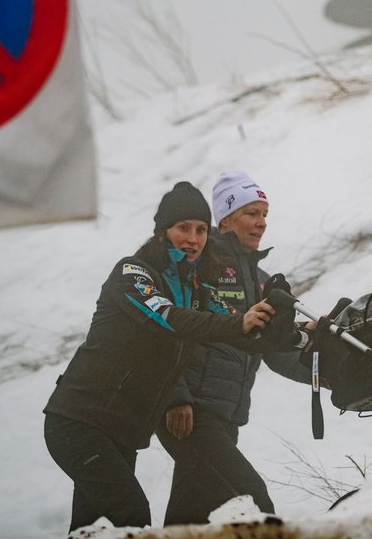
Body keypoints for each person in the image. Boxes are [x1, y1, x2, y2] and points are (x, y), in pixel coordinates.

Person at [43, 181, 279, 532]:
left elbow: (232, 329)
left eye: (201, 229)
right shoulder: (133, 273)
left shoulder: (196, 290)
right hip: (79, 423)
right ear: (162, 232)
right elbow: (167, 317)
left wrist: (292, 330)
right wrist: (237, 323)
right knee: (131, 516)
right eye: (183, 227)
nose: (193, 238)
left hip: (122, 432)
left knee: (95, 528)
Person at [154, 171, 313, 526]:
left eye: (265, 215)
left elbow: (273, 351)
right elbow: (166, 328)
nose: (261, 224)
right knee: (252, 501)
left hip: (225, 416)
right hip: (192, 412)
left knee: (188, 521)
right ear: (224, 219)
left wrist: (322, 362)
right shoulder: (200, 264)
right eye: (251, 213)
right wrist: (175, 396)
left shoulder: (258, 279)